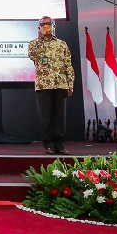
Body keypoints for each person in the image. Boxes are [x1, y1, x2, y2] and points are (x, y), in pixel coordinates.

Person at [27, 16, 74, 155]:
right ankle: (48, 144)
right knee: (46, 117)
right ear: (39, 27)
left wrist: (70, 84)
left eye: (49, 24)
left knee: (59, 117)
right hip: (44, 85)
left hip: (60, 84)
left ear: (54, 26)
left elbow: (68, 65)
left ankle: (59, 144)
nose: (46, 26)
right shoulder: (34, 43)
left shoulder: (61, 44)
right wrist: (40, 38)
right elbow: (32, 55)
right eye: (43, 24)